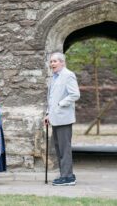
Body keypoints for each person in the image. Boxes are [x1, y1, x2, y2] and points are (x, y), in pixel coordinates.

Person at [43, 52, 80, 186]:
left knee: (64, 148)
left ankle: (68, 177)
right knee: (58, 148)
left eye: (55, 61)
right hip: (55, 118)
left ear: (62, 62)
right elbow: (51, 98)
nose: (52, 64)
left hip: (64, 118)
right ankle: (65, 174)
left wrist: (60, 104)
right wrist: (48, 113)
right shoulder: (54, 77)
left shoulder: (68, 75)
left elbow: (75, 94)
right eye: (51, 61)